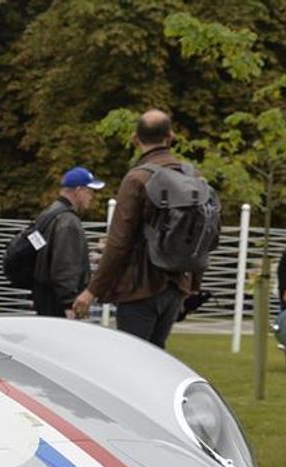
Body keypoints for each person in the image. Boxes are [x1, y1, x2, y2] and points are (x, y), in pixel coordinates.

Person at [72, 109, 202, 349]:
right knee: (157, 357)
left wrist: (92, 291)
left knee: (133, 360)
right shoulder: (191, 176)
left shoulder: (137, 179)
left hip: (139, 287)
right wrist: (192, 285)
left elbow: (119, 242)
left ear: (135, 139)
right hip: (176, 286)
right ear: (170, 136)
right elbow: (201, 234)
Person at [31, 167, 103, 318]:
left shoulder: (48, 214)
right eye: (89, 191)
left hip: (44, 296)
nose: (92, 196)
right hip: (59, 304)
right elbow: (65, 265)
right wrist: (69, 304)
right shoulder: (68, 222)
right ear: (78, 191)